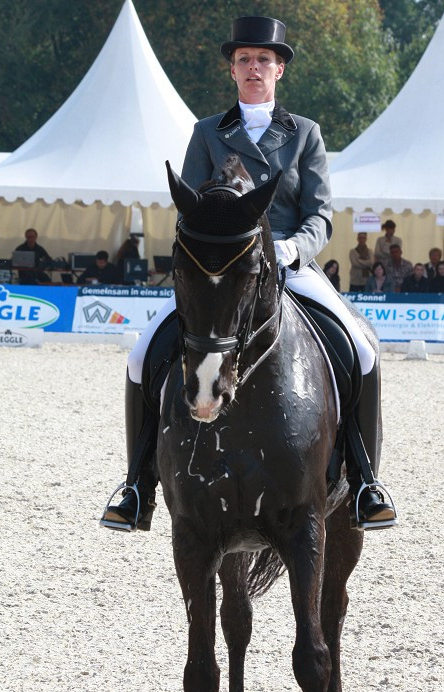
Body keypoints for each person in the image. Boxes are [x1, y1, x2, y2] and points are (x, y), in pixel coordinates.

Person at [101, 15, 396, 532]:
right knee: (141, 353)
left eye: (263, 59)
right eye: (244, 60)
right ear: (233, 71)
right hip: (223, 269)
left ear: (279, 69)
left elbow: (321, 214)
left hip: (287, 264)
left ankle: (365, 481)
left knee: (363, 350)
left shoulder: (304, 134)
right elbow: (188, 209)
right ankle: (135, 485)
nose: (253, 67)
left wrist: (290, 249)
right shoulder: (208, 134)